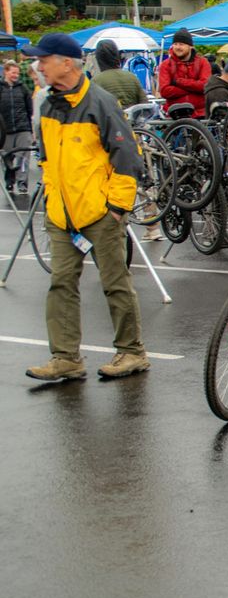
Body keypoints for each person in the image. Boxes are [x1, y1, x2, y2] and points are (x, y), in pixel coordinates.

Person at [19, 34, 150, 382]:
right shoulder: (49, 104)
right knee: (61, 283)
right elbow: (46, 159)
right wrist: (52, 199)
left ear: (66, 63)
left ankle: (132, 351)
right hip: (62, 214)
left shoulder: (101, 103)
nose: (38, 66)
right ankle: (65, 357)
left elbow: (128, 159)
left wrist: (117, 209)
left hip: (99, 213)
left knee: (115, 283)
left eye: (43, 59)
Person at [158, 28, 211, 118]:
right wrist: (193, 88)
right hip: (175, 115)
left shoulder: (203, 62)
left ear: (190, 46)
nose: (178, 47)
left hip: (200, 114)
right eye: (175, 44)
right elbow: (164, 91)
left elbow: (205, 86)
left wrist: (179, 82)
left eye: (181, 44)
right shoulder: (166, 65)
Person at [1, 60, 34, 194]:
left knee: (23, 157)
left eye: (17, 73)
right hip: (5, 130)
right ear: (6, 72)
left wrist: (29, 128)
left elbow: (29, 108)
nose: (16, 75)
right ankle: (10, 181)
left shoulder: (22, 88)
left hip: (23, 127)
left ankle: (22, 182)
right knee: (7, 158)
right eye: (13, 72)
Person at [91, 39, 146, 109]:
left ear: (98, 59)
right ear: (117, 55)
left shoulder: (95, 81)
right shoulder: (132, 77)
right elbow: (144, 105)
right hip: (132, 118)